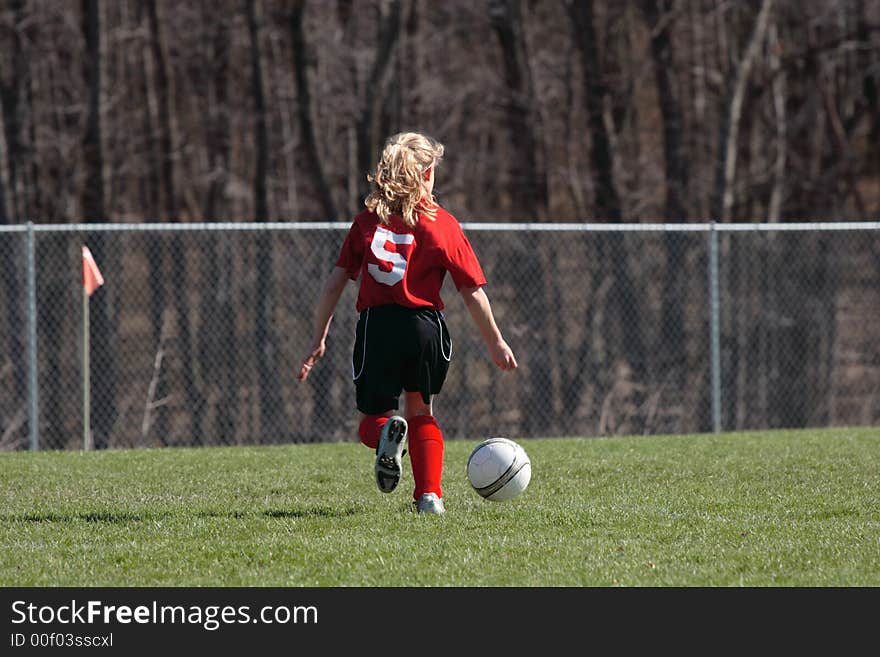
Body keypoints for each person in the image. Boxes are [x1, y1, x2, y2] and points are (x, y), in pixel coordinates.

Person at [296, 132, 517, 515]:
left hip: (377, 328)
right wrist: (495, 341)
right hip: (425, 328)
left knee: (372, 419)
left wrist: (319, 337)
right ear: (427, 174)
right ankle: (429, 496)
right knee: (421, 411)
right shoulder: (442, 224)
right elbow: (472, 292)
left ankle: (385, 433)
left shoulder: (367, 222)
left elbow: (335, 284)